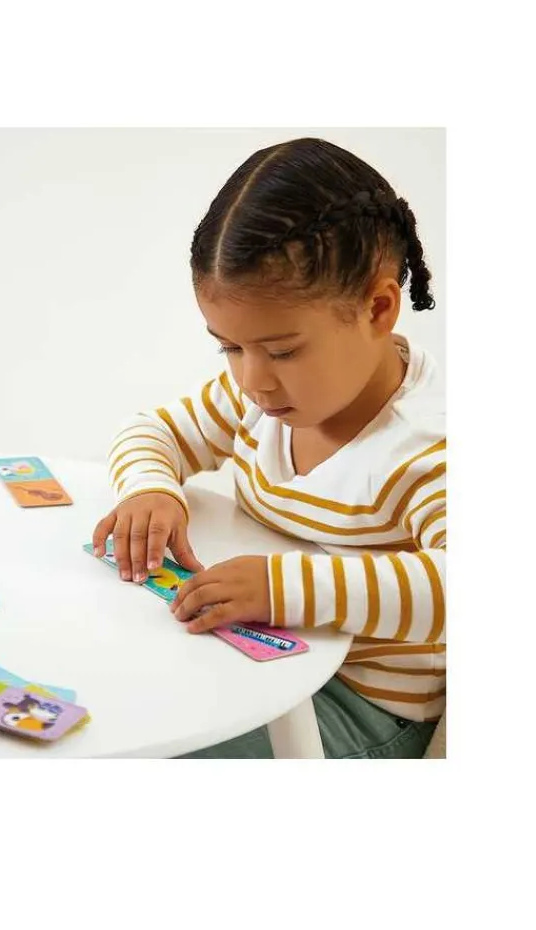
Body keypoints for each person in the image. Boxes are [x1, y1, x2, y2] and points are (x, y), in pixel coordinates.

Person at [91, 138, 445, 758]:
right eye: (229, 347)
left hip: (358, 712)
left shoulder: (428, 447)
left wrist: (281, 588)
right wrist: (151, 488)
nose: (253, 379)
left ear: (378, 308)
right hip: (253, 666)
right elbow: (152, 430)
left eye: (283, 351)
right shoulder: (261, 400)